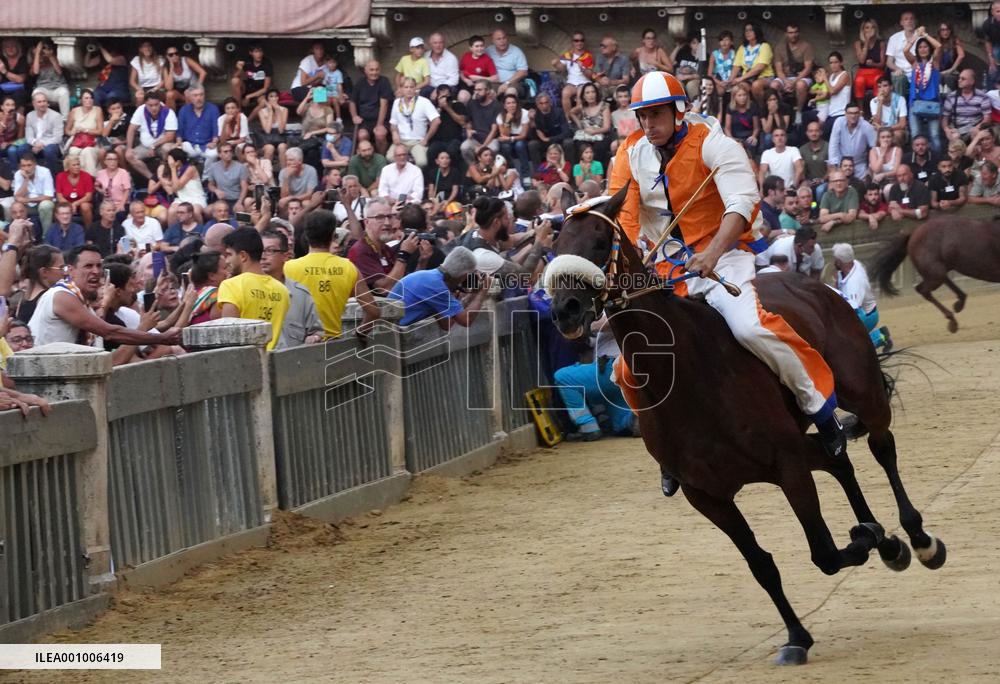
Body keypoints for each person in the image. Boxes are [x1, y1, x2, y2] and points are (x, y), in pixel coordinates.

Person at [609, 71, 845, 490]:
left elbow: (743, 201)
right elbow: (624, 218)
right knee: (627, 371)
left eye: (656, 114)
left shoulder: (715, 143)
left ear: (678, 111)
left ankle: (821, 412)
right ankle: (666, 451)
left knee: (750, 328)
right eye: (642, 116)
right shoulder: (629, 153)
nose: (648, 124)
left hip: (723, 260)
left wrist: (713, 252)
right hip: (662, 272)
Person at [29, 244, 180, 348]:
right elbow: (109, 332)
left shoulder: (80, 299)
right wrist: (161, 338)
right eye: (88, 266)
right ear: (71, 270)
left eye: (99, 266)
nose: (96, 271)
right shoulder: (62, 295)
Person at [553, 311, 635, 441]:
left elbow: (613, 320)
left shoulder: (618, 304)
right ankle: (632, 421)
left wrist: (581, 327)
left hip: (613, 368)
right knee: (621, 424)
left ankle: (588, 427)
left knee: (563, 377)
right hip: (622, 373)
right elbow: (592, 340)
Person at [216, 227, 288, 350]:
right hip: (272, 362)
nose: (227, 261)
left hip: (244, 363)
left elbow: (228, 336)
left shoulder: (231, 285)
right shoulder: (282, 290)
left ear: (243, 256)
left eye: (229, 254)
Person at [388, 245, 491, 328]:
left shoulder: (432, 278)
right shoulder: (435, 286)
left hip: (392, 333)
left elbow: (446, 324)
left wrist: (471, 296)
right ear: (463, 275)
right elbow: (466, 321)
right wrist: (483, 291)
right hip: (390, 336)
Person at [258, 229, 323, 347]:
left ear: (285, 255)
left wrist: (315, 337)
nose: (263, 256)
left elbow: (317, 330)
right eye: (260, 251)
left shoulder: (301, 294)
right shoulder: (248, 291)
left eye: (270, 251)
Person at [831, 243, 891, 351]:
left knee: (851, 349)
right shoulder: (852, 264)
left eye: (835, 259)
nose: (834, 261)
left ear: (840, 262)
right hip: (864, 311)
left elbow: (852, 310)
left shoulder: (854, 283)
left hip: (865, 315)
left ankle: (880, 336)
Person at [904, 30, 943, 155]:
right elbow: (905, 50)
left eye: (925, 46)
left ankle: (937, 162)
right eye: (920, 47)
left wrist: (925, 35)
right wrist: (916, 36)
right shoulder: (915, 63)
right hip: (916, 103)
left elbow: (939, 46)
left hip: (932, 103)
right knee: (915, 135)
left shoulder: (934, 63)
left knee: (935, 135)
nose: (923, 49)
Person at [125, 91, 177, 181]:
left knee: (168, 149)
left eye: (156, 105)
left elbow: (170, 136)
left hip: (162, 145)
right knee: (129, 156)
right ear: (145, 104)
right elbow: (131, 129)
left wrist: (154, 146)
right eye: (150, 105)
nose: (154, 108)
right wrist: (129, 148)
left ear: (160, 102)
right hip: (145, 146)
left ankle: (166, 175)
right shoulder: (141, 110)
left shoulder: (168, 112)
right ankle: (153, 178)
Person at [390, 77, 440, 169]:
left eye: (411, 87)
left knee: (422, 162)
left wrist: (426, 138)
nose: (409, 90)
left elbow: (436, 121)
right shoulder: (397, 102)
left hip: (417, 142)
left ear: (416, 88)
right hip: (401, 141)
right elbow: (393, 123)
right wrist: (394, 133)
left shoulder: (424, 102)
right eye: (406, 87)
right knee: (390, 158)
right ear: (401, 88)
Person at [7, 92, 63, 172]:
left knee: (49, 151)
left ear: (47, 103)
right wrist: (35, 143)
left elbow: (57, 138)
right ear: (34, 104)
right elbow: (28, 136)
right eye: (39, 102)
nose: (42, 104)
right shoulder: (30, 115)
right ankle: (26, 174)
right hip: (35, 144)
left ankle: (52, 178)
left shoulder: (56, 116)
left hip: (50, 144)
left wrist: (42, 144)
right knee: (21, 149)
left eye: (44, 101)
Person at [771, 23, 815, 121]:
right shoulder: (779, 48)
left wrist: (794, 82)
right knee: (774, 85)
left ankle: (798, 112)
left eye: (795, 32)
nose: (793, 35)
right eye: (790, 32)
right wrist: (786, 82)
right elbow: (779, 70)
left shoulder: (806, 46)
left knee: (800, 85)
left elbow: (808, 68)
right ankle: (781, 111)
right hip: (785, 77)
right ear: (786, 34)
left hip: (802, 77)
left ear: (798, 33)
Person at [349, 60, 394, 154]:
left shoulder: (384, 81)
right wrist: (354, 116)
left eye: (377, 70)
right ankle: (367, 159)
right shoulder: (360, 82)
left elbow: (384, 105)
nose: (374, 72)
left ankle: (381, 159)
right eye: (371, 70)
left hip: (381, 119)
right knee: (362, 135)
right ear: (366, 70)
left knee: (380, 134)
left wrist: (379, 124)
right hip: (365, 120)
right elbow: (352, 101)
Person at [731, 23, 774, 109]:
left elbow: (760, 67)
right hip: (747, 79)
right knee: (738, 88)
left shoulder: (764, 46)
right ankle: (743, 113)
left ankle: (761, 110)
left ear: (757, 32)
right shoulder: (742, 48)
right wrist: (730, 80)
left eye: (751, 30)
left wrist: (740, 78)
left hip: (764, 77)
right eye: (746, 31)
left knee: (756, 85)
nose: (748, 33)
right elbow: (736, 66)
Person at [942, 69, 991, 145]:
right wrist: (947, 130)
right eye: (959, 78)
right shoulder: (951, 96)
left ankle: (975, 156)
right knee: (954, 138)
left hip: (974, 127)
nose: (959, 80)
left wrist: (977, 127)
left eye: (963, 79)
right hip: (957, 128)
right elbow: (945, 118)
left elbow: (987, 118)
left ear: (972, 81)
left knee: (976, 134)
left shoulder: (982, 96)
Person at [828, 104, 877, 179]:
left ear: (860, 114)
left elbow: (874, 146)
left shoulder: (866, 126)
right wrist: (833, 165)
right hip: (841, 164)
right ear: (845, 114)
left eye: (856, 113)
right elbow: (833, 144)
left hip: (859, 164)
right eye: (850, 113)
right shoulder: (839, 122)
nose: (853, 116)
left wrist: (871, 166)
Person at [754, 227, 825, 278]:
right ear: (799, 246)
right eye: (810, 247)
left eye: (814, 245)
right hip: (765, 266)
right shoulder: (781, 252)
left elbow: (816, 272)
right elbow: (780, 281)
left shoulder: (815, 248)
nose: (813, 249)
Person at [12, 152, 55, 235]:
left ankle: (46, 235)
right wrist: (26, 180)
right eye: (23, 166)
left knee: (46, 205)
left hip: (41, 204)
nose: (26, 169)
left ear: (35, 164)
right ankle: (21, 235)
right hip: (27, 206)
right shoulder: (18, 174)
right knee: (16, 206)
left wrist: (28, 199)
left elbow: (49, 196)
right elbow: (17, 197)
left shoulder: (45, 172)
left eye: (29, 165)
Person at [553, 32, 594, 117]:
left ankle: (579, 119)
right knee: (565, 93)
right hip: (571, 83)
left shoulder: (588, 56)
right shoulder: (567, 55)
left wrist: (582, 68)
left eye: (581, 40)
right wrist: (556, 64)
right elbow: (561, 69)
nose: (579, 43)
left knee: (580, 94)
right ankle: (569, 119)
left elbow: (590, 75)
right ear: (572, 42)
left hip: (584, 82)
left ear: (584, 42)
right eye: (576, 40)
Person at [460, 81, 501, 166]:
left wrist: (483, 147)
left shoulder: (496, 106)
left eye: (479, 90)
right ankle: (475, 168)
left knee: (492, 149)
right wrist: (469, 130)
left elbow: (494, 130)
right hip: (475, 138)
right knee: (464, 147)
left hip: (491, 139)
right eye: (475, 90)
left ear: (488, 91)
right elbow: (468, 121)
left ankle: (490, 171)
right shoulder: (471, 104)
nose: (476, 92)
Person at [64, 89, 103, 174]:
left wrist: (86, 130)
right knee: (73, 151)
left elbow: (100, 131)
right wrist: (72, 132)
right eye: (86, 98)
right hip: (77, 142)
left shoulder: (97, 110)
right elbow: (67, 130)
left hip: (92, 143)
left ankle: (90, 178)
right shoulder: (74, 111)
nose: (88, 100)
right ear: (81, 100)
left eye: (90, 98)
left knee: (87, 151)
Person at [30, 39, 70, 118]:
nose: (43, 54)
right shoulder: (36, 63)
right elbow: (35, 71)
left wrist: (51, 56)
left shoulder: (55, 59)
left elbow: (59, 71)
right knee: (36, 93)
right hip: (44, 90)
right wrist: (38, 53)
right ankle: (40, 118)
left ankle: (65, 120)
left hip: (58, 88)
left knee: (64, 93)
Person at [496, 93, 532, 182]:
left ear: (517, 104)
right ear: (504, 106)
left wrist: (509, 139)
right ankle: (512, 171)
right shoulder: (500, 117)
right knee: (505, 147)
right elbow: (504, 134)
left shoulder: (524, 113)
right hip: (509, 137)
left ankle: (526, 174)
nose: (511, 105)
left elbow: (523, 135)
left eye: (513, 103)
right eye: (508, 103)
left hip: (521, 138)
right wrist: (508, 120)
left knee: (519, 145)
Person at [55, 154, 95, 226]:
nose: (77, 167)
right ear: (68, 167)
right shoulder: (60, 176)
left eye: (78, 164)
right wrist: (69, 205)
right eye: (74, 165)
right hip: (66, 203)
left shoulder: (86, 176)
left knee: (85, 206)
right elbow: (59, 196)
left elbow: (89, 196)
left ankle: (89, 230)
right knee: (60, 207)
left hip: (82, 203)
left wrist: (75, 204)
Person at [163, 45, 206, 111]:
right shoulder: (166, 67)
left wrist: (197, 87)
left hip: (192, 89)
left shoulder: (186, 60)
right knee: (169, 94)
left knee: (187, 93)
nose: (174, 56)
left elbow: (203, 72)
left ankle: (189, 116)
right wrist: (171, 69)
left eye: (176, 53)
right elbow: (169, 88)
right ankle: (171, 117)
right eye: (171, 55)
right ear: (167, 56)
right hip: (179, 93)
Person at [854, 19, 887, 102]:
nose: (870, 30)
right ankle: (860, 110)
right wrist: (867, 41)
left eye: (872, 27)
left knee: (878, 80)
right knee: (859, 82)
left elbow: (882, 64)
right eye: (867, 28)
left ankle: (877, 106)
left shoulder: (881, 43)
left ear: (876, 29)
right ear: (863, 30)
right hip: (862, 73)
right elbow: (861, 60)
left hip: (877, 72)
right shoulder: (858, 43)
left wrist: (873, 64)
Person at [869, 76, 908, 148]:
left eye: (885, 86)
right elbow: (876, 123)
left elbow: (902, 124)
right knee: (874, 136)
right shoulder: (874, 101)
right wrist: (880, 103)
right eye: (879, 87)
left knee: (897, 135)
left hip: (895, 130)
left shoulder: (900, 99)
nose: (882, 89)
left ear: (891, 87)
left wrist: (885, 129)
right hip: (880, 130)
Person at [886, 10, 918, 97]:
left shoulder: (921, 37)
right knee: (899, 79)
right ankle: (900, 108)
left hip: (917, 72)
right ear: (901, 23)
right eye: (906, 19)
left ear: (915, 21)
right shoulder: (894, 38)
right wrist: (896, 69)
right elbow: (889, 62)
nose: (909, 21)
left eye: (912, 19)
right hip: (901, 73)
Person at [94, 149, 131, 216]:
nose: (113, 162)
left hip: (120, 203)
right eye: (110, 159)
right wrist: (101, 191)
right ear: (105, 161)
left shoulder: (123, 172)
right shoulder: (100, 173)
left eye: (115, 159)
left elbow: (127, 190)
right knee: (97, 215)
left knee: (118, 215)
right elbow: (96, 186)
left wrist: (121, 205)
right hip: (106, 204)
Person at [129, 41, 165, 107]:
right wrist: (139, 89)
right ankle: (141, 116)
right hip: (143, 88)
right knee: (140, 97)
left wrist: (154, 89)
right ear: (140, 49)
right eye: (144, 46)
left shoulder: (160, 59)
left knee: (154, 98)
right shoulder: (136, 60)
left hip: (157, 88)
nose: (147, 48)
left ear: (152, 48)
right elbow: (132, 81)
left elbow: (164, 79)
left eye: (149, 46)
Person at [798, 121, 828, 194]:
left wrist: (822, 180)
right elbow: (801, 171)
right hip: (809, 182)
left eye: (816, 131)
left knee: (820, 190)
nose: (813, 134)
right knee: (802, 189)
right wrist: (805, 181)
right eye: (811, 131)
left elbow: (831, 170)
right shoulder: (802, 150)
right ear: (807, 133)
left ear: (821, 132)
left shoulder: (828, 147)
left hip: (826, 182)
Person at [984, 1, 1000, 89]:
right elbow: (987, 41)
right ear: (992, 12)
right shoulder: (987, 24)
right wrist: (990, 57)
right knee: (992, 69)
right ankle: (992, 91)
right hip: (995, 45)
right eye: (998, 11)